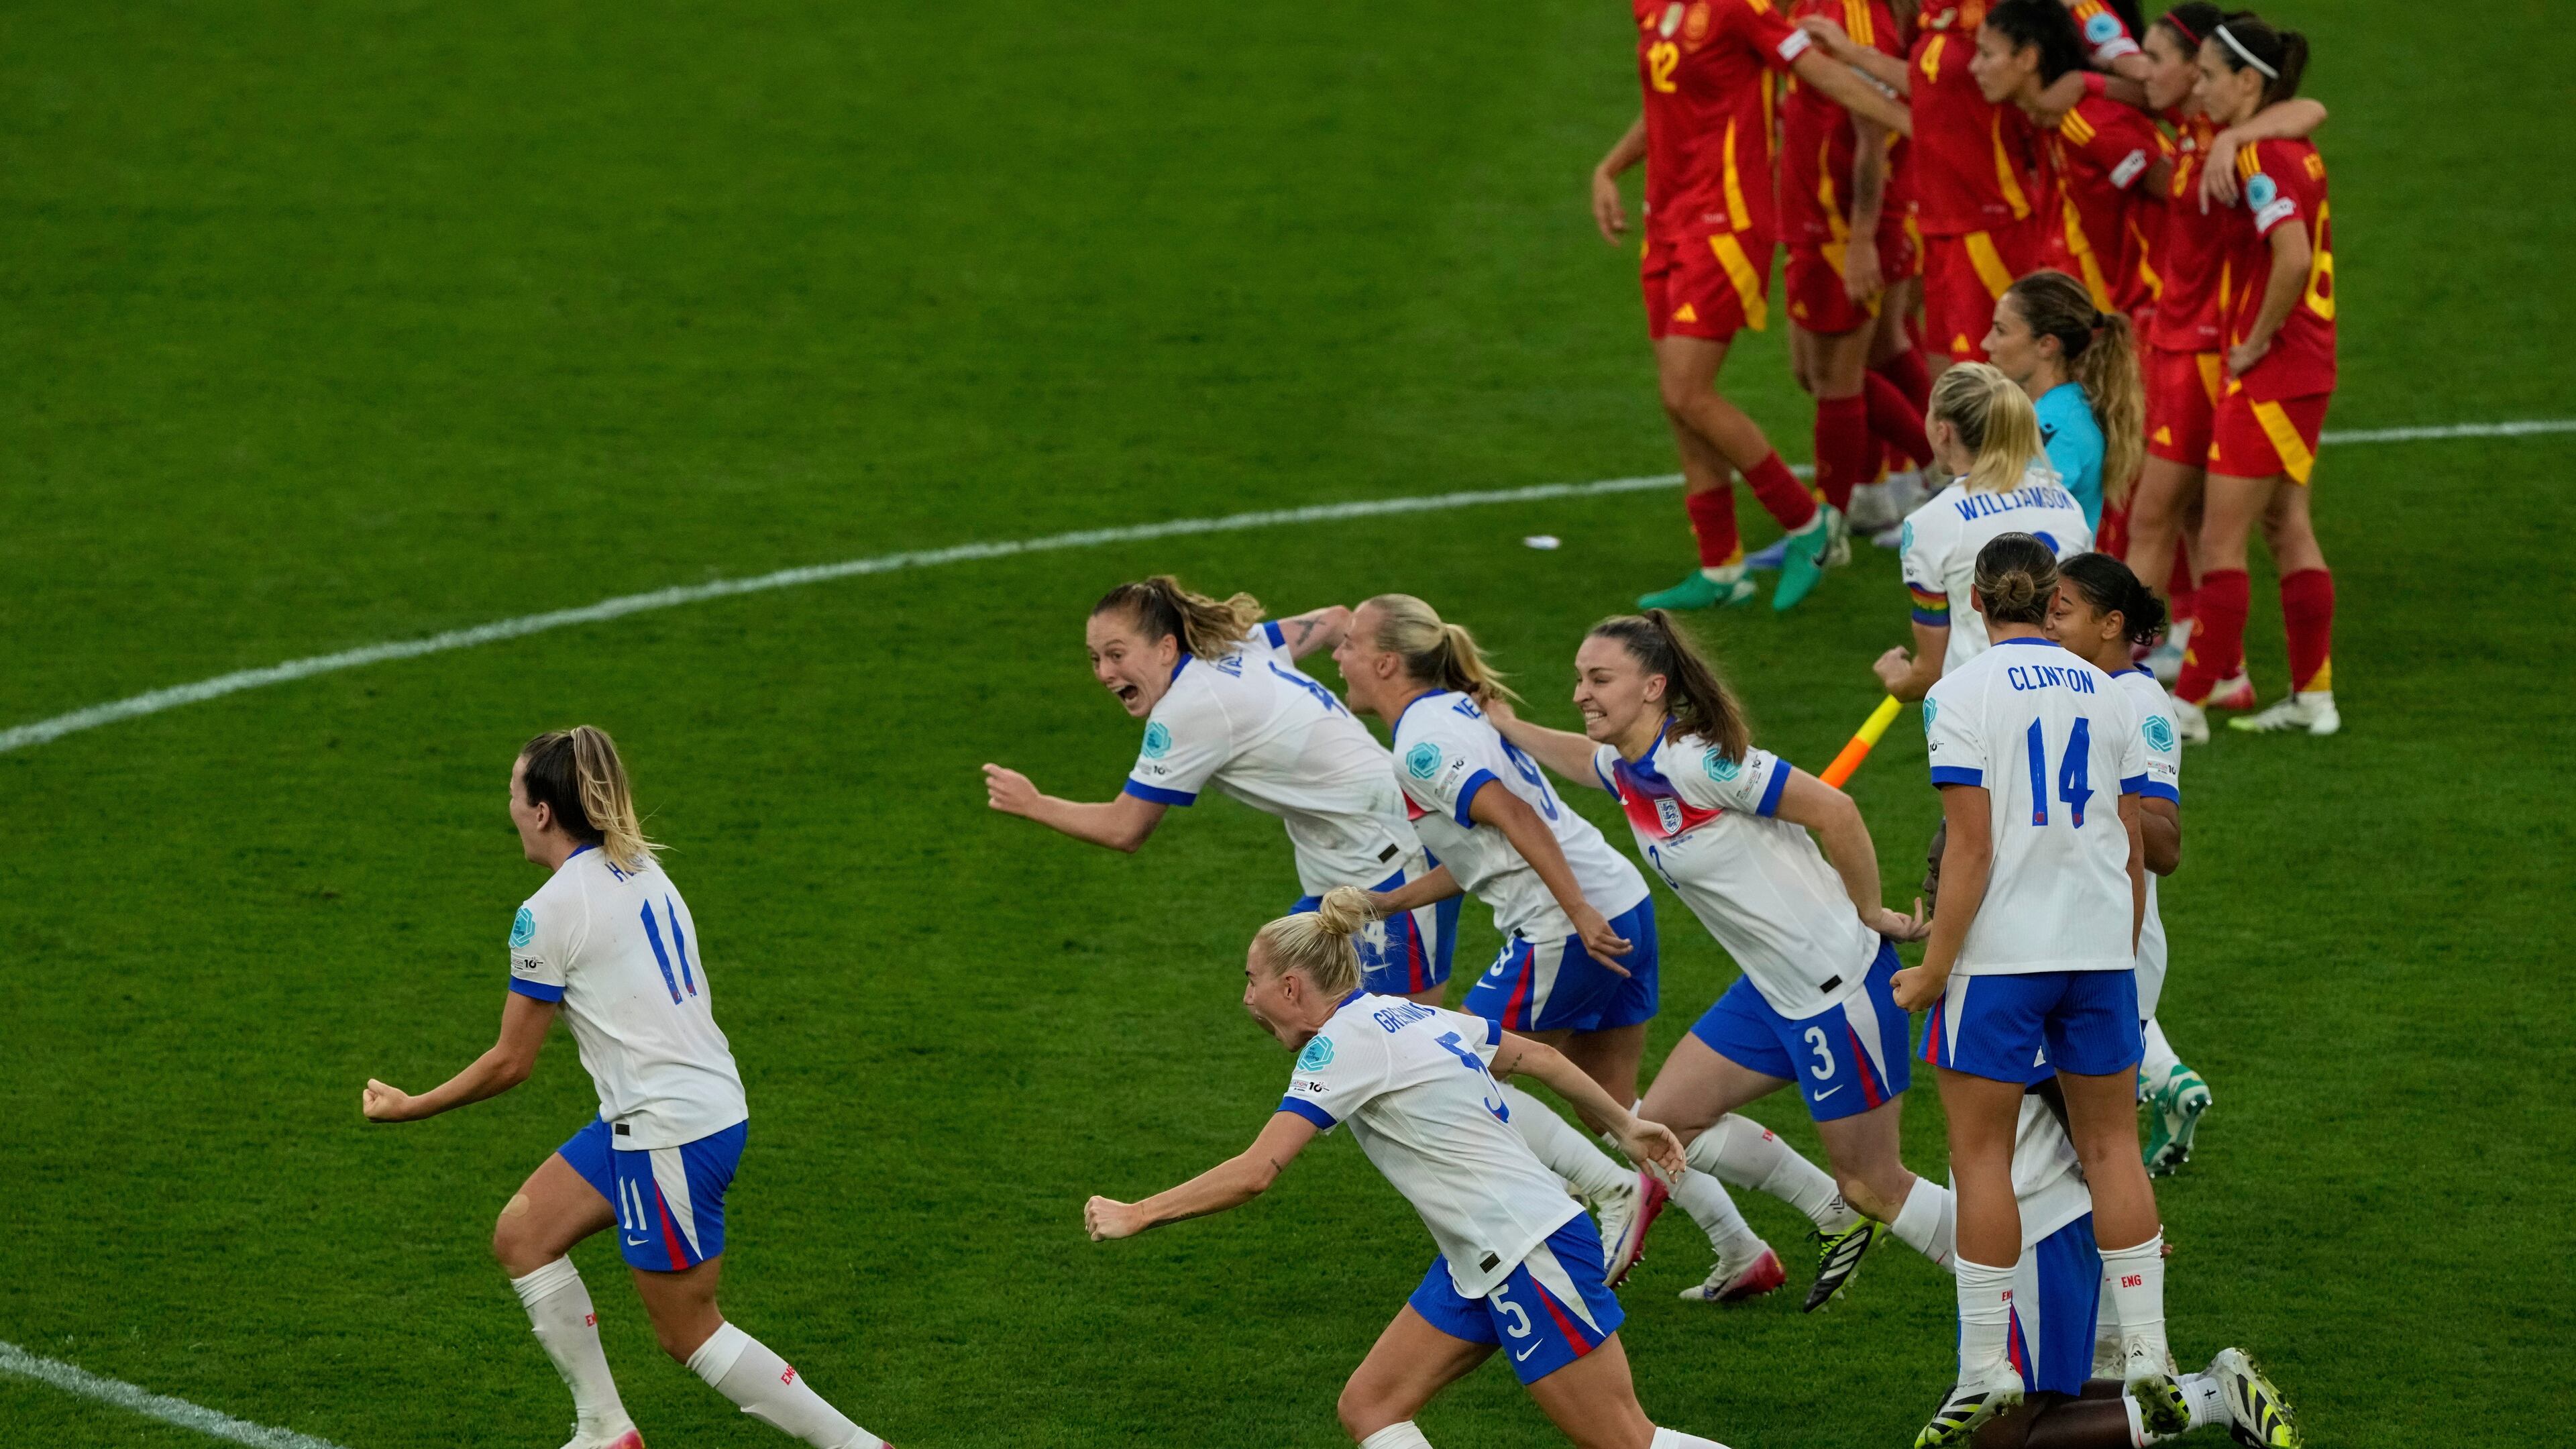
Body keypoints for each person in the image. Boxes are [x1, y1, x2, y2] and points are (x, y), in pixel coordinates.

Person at [360, 728, 890, 1449]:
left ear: (543, 811)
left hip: (666, 1130)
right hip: (680, 1110)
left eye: (514, 794)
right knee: (524, 1234)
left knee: (689, 1332)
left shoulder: (546, 913)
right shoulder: (638, 864)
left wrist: (411, 1106)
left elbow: (512, 1063)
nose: (509, 807)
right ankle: (606, 1429)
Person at [1083, 891, 1736, 1449]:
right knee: (1371, 1407)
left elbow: (1258, 1171)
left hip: (1526, 1248)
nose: (1246, 998)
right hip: (1479, 1258)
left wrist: (1138, 1213)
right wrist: (1624, 1124)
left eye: (1251, 980)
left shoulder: (1341, 1044)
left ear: (1290, 986)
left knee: (1623, 1439)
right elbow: (1533, 1059)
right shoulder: (1409, 1013)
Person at [1488, 610, 1964, 1316]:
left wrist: (1870, 912)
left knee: (1874, 1184)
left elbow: (1835, 812)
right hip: (1772, 992)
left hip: (1835, 987)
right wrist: (1501, 720)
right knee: (1666, 1125)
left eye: (1599, 679)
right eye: (1579, 679)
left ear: (1653, 687)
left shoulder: (1698, 761)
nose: (1581, 694)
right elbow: (1574, 756)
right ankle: (1838, 1217)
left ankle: (2026, 1278)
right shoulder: (1627, 765)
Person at [1332, 594, 1788, 1305]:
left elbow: (1512, 817)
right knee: (1610, 1104)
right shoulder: (1454, 713)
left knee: (1458, 1071)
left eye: (1351, 645)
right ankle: (1744, 1246)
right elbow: (1487, 848)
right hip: (1616, 903)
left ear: (1386, 662)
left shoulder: (1422, 744)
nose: (1339, 656)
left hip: (1568, 926)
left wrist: (1574, 912)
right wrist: (1389, 903)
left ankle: (1611, 1194)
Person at [1892, 536, 2178, 1447]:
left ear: (1977, 602)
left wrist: (1935, 968)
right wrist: (2117, 948)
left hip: (2002, 958)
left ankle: (1985, 1371)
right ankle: (2148, 1358)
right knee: (2113, 1150)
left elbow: (1969, 849)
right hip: (2098, 949)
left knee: (1982, 1157)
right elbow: (2134, 843)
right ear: (2053, 599)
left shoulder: (1958, 697)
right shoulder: (2109, 689)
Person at [983, 576, 1455, 1004]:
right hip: (1342, 864)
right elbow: (1333, 621)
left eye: (1117, 654)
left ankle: (1502, 1079)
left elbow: (1126, 829)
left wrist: (1033, 804)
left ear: (1166, 648)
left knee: (1406, 1047)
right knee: (1285, 996)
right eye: (1096, 658)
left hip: (1395, 862)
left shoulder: (1189, 707)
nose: (1104, 672)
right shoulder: (1234, 646)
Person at [1590, 0, 1912, 612]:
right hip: (1668, 223)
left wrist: (1913, 119)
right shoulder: (1652, 9)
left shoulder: (1739, 10)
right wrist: (1610, 168)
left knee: (1690, 391)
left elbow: (1821, 72)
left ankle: (1807, 522)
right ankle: (1721, 568)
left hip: (1724, 223)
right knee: (1676, 400)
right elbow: (1668, 107)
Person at [2122, 4, 2326, 712]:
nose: (2145, 72)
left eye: (2163, 60)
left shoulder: (2237, 141)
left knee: (2161, 520)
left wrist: (2237, 132)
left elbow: (2308, 109)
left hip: (2209, 353)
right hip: (2183, 342)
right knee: (2203, 522)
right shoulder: (2192, 126)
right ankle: (2243, 676)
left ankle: (2136, 677)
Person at [1958, 1082, 2302, 1448]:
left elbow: (2053, 1076)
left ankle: (2213, 1398)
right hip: (2036, 1205)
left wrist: (2106, 1185)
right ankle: (2204, 1390)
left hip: (2034, 1215)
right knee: (2024, 1393)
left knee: (2001, 1435)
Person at [2174, 12, 2339, 739]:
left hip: (2275, 368)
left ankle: (2189, 705)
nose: (2197, 86)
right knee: (2286, 525)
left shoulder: (2259, 158)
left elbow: (2294, 257)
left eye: (2208, 74)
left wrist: (2254, 342)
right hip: (2306, 364)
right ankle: (2314, 698)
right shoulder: (2284, 142)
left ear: (2247, 81)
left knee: (2219, 541)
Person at [2047, 554, 2210, 1175]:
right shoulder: (2062, 689)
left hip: (2116, 954)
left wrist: (2092, 783)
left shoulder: (2140, 703)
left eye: (2061, 612)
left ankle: (2130, 1261)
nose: (2049, 625)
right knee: (2067, 1152)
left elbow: (2165, 846)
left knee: (2087, 1153)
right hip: (2059, 944)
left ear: (2111, 624)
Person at [1779, 0, 1941, 549]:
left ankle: (1828, 532)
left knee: (1836, 378)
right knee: (1842, 366)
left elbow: (1871, 136)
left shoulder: (1851, 15)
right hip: (1817, 216)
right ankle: (1938, 471)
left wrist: (1861, 239)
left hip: (1840, 221)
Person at [1876, 364, 2093, 702]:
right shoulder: (2065, 502)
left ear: (1943, 431)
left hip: (1982, 708)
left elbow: (1929, 672)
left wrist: (1897, 681)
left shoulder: (1930, 523)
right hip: (2073, 697)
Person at [1972, 2, 2169, 327]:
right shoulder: (2046, 122)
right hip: (2111, 303)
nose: (1973, 67)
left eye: (1986, 54)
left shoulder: (2087, 124)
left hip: (2149, 307)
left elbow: (2179, 193)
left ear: (2028, 59)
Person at [1984, 270, 2146, 532]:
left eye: (2001, 331)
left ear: (2047, 345)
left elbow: (2021, 533)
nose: (1986, 343)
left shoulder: (2057, 425)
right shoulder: (2057, 408)